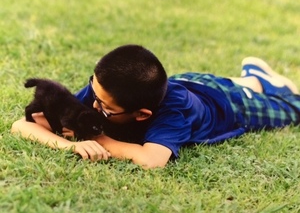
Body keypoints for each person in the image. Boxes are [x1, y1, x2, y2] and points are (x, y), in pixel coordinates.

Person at [11, 44, 300, 169]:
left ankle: (264, 82)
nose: (94, 106)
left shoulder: (173, 113)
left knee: (293, 108)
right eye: (94, 94)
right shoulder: (107, 90)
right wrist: (71, 146)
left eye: (105, 107)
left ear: (142, 115)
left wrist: (98, 139)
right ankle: (254, 77)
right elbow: (22, 125)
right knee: (213, 80)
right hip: (186, 80)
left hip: (230, 105)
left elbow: (152, 160)